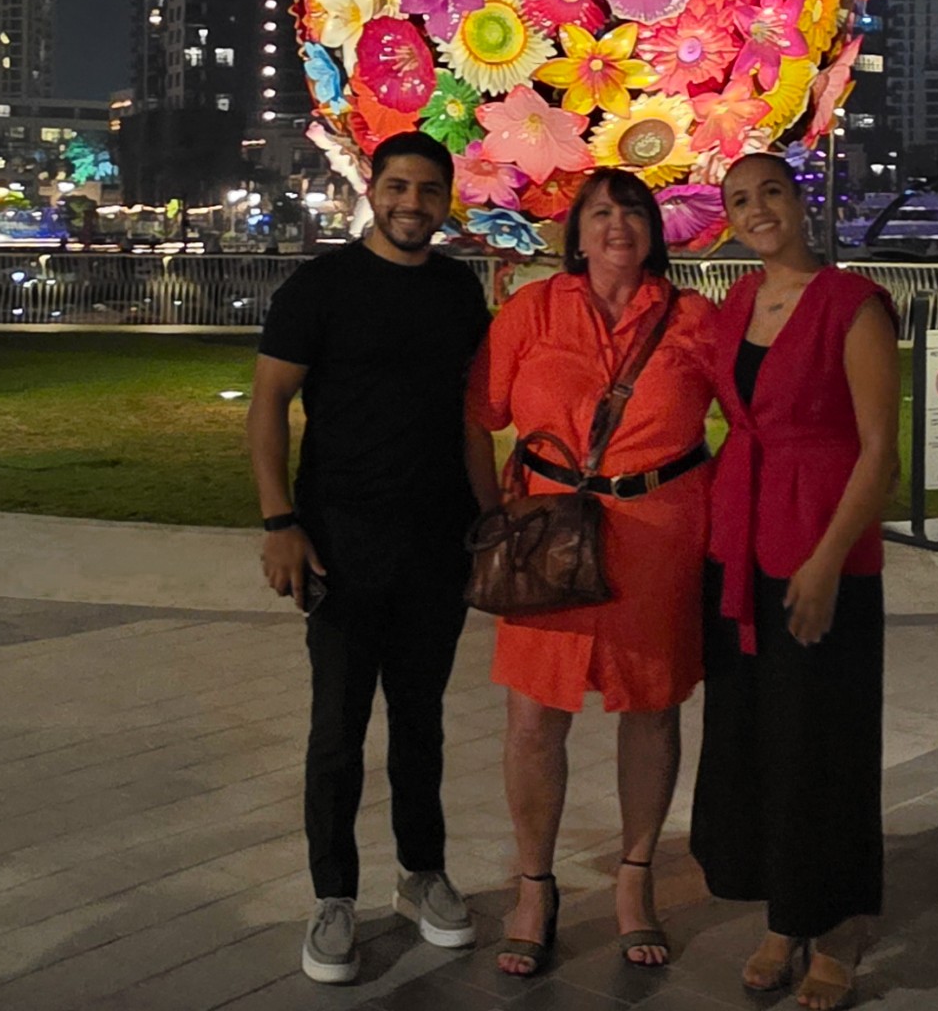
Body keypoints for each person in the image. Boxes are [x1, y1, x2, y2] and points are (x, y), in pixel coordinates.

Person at [250, 130, 492, 985]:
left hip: (436, 542)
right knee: (338, 728)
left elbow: (471, 420)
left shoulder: (458, 292)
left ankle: (421, 872)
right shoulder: (319, 287)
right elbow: (268, 404)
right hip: (339, 545)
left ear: (445, 201)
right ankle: (333, 896)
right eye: (397, 187)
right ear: (373, 191)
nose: (411, 204)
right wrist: (279, 522)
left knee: (420, 721)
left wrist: (491, 521)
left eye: (427, 190)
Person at [465, 168, 717, 976]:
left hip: (657, 538)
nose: (616, 225)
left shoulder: (693, 318)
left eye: (632, 211)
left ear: (655, 230)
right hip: (547, 538)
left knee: (651, 710)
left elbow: (753, 416)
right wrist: (493, 515)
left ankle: (635, 879)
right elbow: (478, 416)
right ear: (574, 232)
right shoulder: (532, 310)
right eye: (600, 212)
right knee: (534, 718)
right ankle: (533, 886)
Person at [690, 151, 898, 1010]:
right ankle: (786, 910)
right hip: (738, 545)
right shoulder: (736, 302)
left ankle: (838, 924)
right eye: (739, 199)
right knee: (755, 740)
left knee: (824, 744)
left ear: (798, 200)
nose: (757, 209)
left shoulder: (852, 305)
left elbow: (879, 452)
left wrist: (824, 562)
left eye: (770, 191)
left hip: (819, 551)